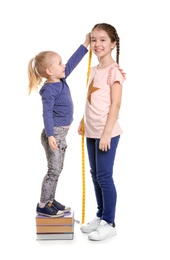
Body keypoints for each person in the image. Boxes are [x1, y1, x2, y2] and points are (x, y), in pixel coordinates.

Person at [28, 34, 90, 217]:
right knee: (53, 170)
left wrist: (85, 43)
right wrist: (50, 136)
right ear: (49, 71)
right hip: (53, 135)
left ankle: (50, 200)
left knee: (58, 169)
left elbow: (72, 62)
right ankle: (42, 204)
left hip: (60, 135)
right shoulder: (49, 90)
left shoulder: (61, 79)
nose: (64, 66)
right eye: (60, 63)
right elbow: (46, 113)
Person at [78, 23, 126, 240]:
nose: (97, 44)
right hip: (91, 130)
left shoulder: (114, 72)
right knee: (95, 175)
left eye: (103, 40)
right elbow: (91, 98)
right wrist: (83, 120)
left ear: (113, 44)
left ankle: (110, 221)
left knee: (105, 177)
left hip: (107, 133)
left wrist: (106, 134)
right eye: (94, 39)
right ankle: (100, 215)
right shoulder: (94, 69)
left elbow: (115, 105)